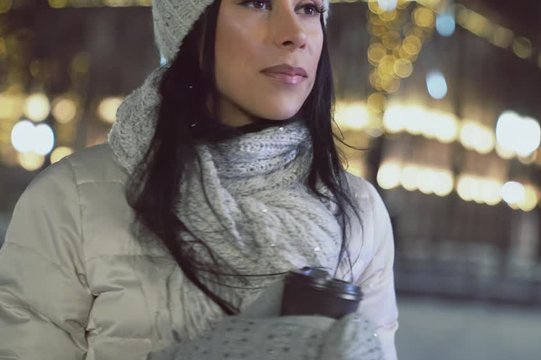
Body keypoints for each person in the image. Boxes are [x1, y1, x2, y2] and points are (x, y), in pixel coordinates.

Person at [0, 0, 398, 358]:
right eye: (257, 3)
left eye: (309, 8)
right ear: (190, 27)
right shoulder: (72, 201)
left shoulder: (359, 213)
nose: (294, 34)